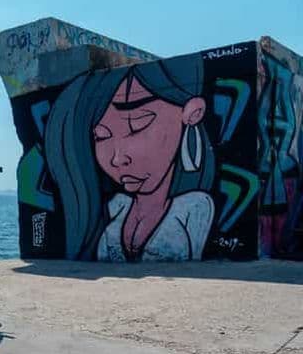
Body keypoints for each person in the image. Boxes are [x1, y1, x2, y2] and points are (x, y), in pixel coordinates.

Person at [44, 56, 215, 262]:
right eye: (102, 136)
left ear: (192, 112)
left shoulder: (195, 207)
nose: (117, 159)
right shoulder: (116, 206)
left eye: (136, 125)